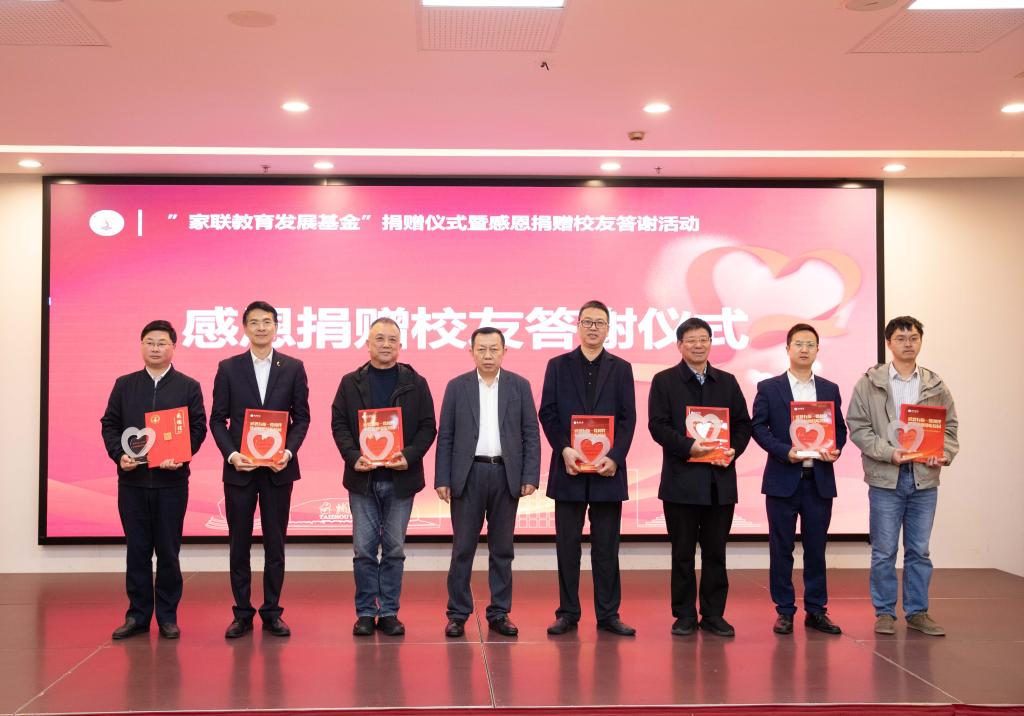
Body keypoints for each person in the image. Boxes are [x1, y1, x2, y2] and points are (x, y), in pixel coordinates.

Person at [847, 315, 958, 636]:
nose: (908, 344)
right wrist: (888, 452)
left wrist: (944, 453)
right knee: (884, 551)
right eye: (901, 338)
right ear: (888, 343)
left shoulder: (935, 384)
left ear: (920, 341)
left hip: (924, 478)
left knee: (919, 550)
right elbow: (858, 427)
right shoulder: (869, 382)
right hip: (886, 477)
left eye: (913, 338)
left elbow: (949, 428)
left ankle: (917, 611)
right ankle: (884, 612)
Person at [100, 319, 207, 640]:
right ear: (141, 346)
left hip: (172, 484)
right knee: (137, 551)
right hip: (132, 483)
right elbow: (110, 425)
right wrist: (119, 455)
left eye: (162, 343)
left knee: (168, 553)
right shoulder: (125, 385)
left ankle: (168, 617)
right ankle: (137, 616)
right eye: (150, 342)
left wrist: (183, 455)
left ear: (174, 347)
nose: (155, 348)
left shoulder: (188, 386)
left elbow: (198, 428)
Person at [331, 317, 437, 637]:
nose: (386, 344)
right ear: (368, 344)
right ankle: (366, 612)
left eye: (392, 339)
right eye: (379, 339)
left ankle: (389, 611)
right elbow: (339, 424)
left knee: (394, 549)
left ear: (400, 345)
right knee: (364, 550)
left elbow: (428, 427)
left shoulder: (416, 382)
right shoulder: (350, 382)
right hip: (362, 479)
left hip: (401, 479)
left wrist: (409, 455)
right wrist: (354, 456)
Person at [210, 300, 310, 638]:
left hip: (278, 470)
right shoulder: (228, 368)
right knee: (238, 544)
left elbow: (302, 418)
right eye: (254, 322)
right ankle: (241, 613)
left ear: (276, 326)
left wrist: (288, 451)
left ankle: (271, 611)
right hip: (240, 470)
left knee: (275, 544)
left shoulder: (293, 367)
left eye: (267, 321)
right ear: (245, 327)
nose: (261, 327)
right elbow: (217, 419)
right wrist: (232, 454)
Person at [648, 316, 751, 638]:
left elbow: (743, 424)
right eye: (691, 340)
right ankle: (684, 615)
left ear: (710, 343)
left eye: (703, 339)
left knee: (715, 553)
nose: (698, 345)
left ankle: (713, 614)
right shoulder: (664, 381)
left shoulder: (727, 382)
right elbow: (657, 425)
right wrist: (689, 446)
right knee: (682, 553)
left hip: (720, 482)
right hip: (681, 482)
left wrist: (733, 449)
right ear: (680, 345)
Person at [435, 327, 541, 638]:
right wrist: (443, 478)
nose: (488, 355)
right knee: (462, 548)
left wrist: (530, 475)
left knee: (502, 549)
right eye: (481, 349)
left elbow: (530, 434)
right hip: (468, 475)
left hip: (505, 475)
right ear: (471, 352)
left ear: (504, 351)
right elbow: (446, 435)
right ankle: (457, 614)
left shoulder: (520, 386)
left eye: (494, 349)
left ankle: (499, 612)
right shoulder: (457, 387)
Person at [539, 300, 637, 637]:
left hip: (608, 471)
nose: (593, 328)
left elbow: (628, 418)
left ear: (608, 329)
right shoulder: (557, 365)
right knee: (567, 546)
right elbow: (548, 412)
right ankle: (567, 613)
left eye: (599, 323)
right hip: (569, 469)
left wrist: (616, 457)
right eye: (587, 322)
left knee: (606, 547)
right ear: (578, 326)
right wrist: (564, 449)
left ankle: (609, 614)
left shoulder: (621, 368)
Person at [751, 323, 846, 635]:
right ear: (787, 349)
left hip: (819, 480)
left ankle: (816, 610)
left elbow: (839, 430)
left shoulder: (829, 389)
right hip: (783, 478)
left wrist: (835, 449)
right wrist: (784, 451)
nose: (804, 349)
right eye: (798, 344)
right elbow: (758, 428)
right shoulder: (769, 387)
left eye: (810, 344)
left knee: (816, 548)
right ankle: (784, 610)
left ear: (818, 350)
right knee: (781, 548)